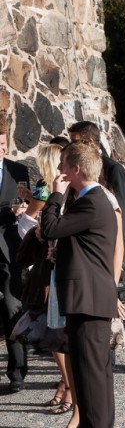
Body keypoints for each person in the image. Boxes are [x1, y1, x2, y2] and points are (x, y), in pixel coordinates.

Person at [40, 142, 121, 428]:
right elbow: (86, 246)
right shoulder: (92, 200)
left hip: (88, 301)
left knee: (91, 379)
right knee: (94, 377)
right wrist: (61, 253)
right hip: (87, 299)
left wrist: (55, 194)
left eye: (63, 165)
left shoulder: (92, 200)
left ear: (75, 169)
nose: (60, 170)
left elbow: (48, 228)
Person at [15, 142, 76, 418]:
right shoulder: (52, 190)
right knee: (56, 334)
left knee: (57, 333)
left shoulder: (51, 190)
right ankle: (65, 385)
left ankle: (69, 387)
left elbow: (35, 222)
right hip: (46, 266)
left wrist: (28, 216)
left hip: (49, 268)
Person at [0, 113, 30, 392]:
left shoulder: (18, 171)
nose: (1, 149)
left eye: (3, 144)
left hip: (10, 251)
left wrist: (21, 209)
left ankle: (18, 372)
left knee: (14, 310)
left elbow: (27, 202)